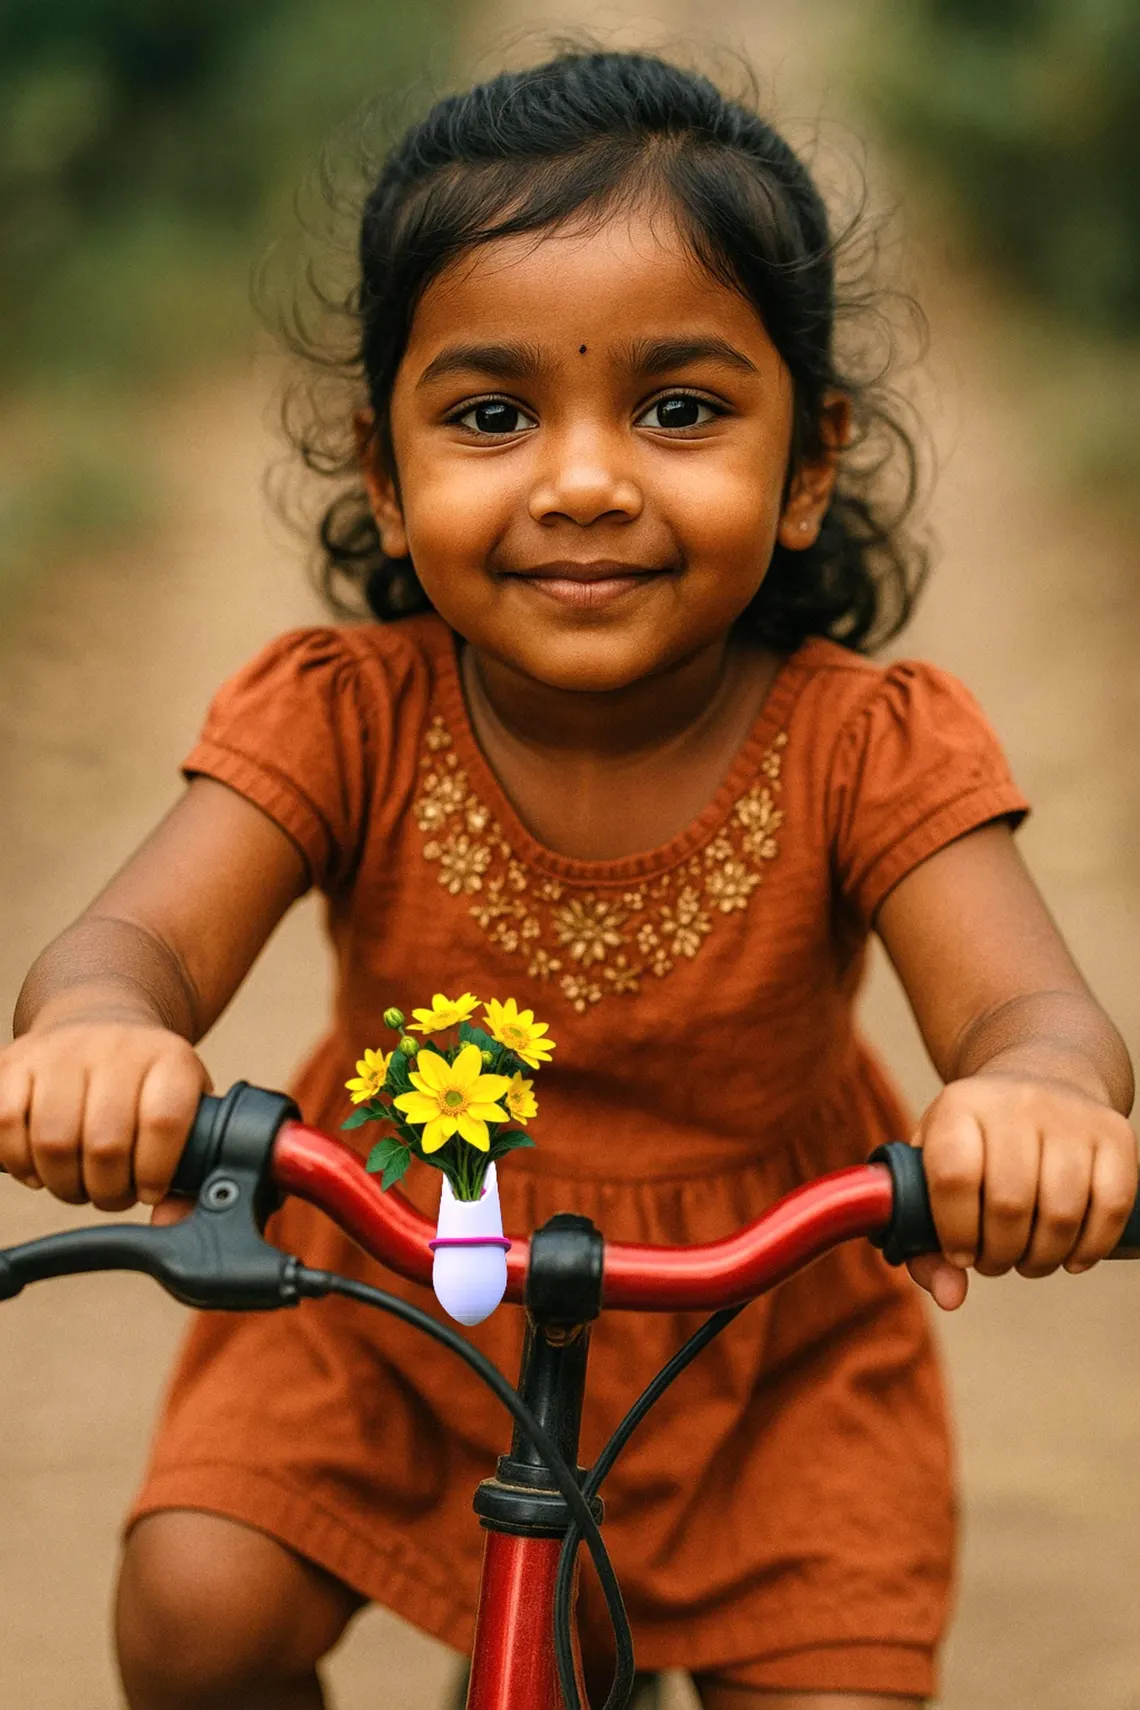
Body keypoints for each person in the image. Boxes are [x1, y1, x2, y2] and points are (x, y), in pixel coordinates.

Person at [0, 47, 1134, 1710]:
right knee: (194, 1608)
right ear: (386, 475)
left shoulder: (869, 744)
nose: (586, 477)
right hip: (383, 1284)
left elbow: (1038, 1012)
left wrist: (1036, 1099)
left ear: (808, 462)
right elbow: (132, 946)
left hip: (760, 1346)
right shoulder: (345, 716)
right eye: (490, 414)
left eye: (679, 409)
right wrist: (102, 1029)